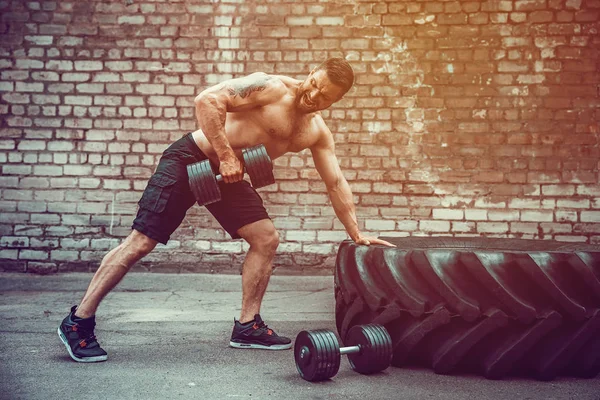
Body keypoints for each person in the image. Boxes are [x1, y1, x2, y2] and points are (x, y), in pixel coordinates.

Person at [57, 58, 395, 363]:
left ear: (335, 102)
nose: (313, 94)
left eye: (324, 95)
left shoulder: (316, 132)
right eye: (314, 84)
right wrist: (227, 154)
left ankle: (247, 325)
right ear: (310, 74)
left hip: (225, 177)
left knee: (266, 239)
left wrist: (355, 230)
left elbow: (335, 181)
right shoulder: (271, 87)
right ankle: (78, 322)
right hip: (190, 158)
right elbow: (207, 99)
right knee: (141, 241)